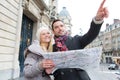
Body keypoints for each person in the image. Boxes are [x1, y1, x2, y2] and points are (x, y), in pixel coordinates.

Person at [46, 0, 109, 80]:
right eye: (56, 27)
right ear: (53, 31)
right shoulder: (51, 47)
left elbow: (91, 35)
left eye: (61, 26)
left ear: (65, 28)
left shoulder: (76, 40)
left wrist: (98, 19)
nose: (60, 28)